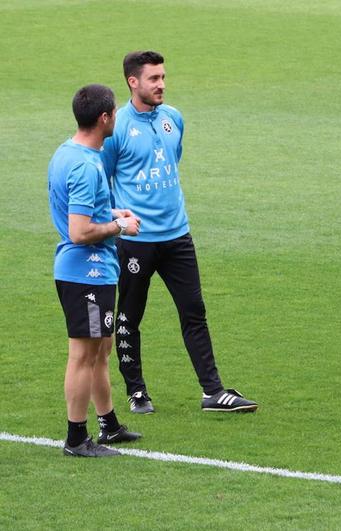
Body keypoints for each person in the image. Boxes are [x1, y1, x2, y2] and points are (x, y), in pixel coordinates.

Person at [101, 51, 257, 414]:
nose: (162, 85)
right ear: (133, 82)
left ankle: (212, 391)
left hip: (177, 235)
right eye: (154, 79)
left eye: (163, 77)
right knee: (129, 316)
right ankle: (137, 392)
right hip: (136, 241)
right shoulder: (118, 127)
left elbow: (173, 161)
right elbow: (104, 179)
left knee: (194, 311)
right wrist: (119, 225)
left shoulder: (173, 118)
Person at [49, 84, 143, 456]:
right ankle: (76, 437)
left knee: (101, 349)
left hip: (92, 272)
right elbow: (79, 231)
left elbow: (81, 211)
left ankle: (109, 425)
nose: (116, 119)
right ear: (104, 118)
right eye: (115, 114)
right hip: (84, 273)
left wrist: (111, 213)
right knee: (83, 355)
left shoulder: (66, 152)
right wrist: (120, 226)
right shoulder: (87, 166)